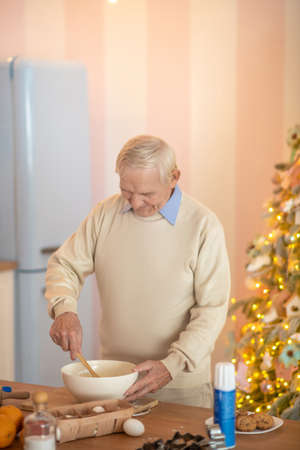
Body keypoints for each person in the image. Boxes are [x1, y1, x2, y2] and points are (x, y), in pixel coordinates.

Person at [45, 134, 231, 407]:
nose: (134, 203)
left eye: (146, 194)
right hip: (112, 380)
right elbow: (65, 265)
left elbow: (212, 309)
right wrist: (64, 310)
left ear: (174, 177)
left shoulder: (204, 225)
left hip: (180, 386)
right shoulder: (104, 214)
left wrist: (172, 365)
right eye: (127, 191)